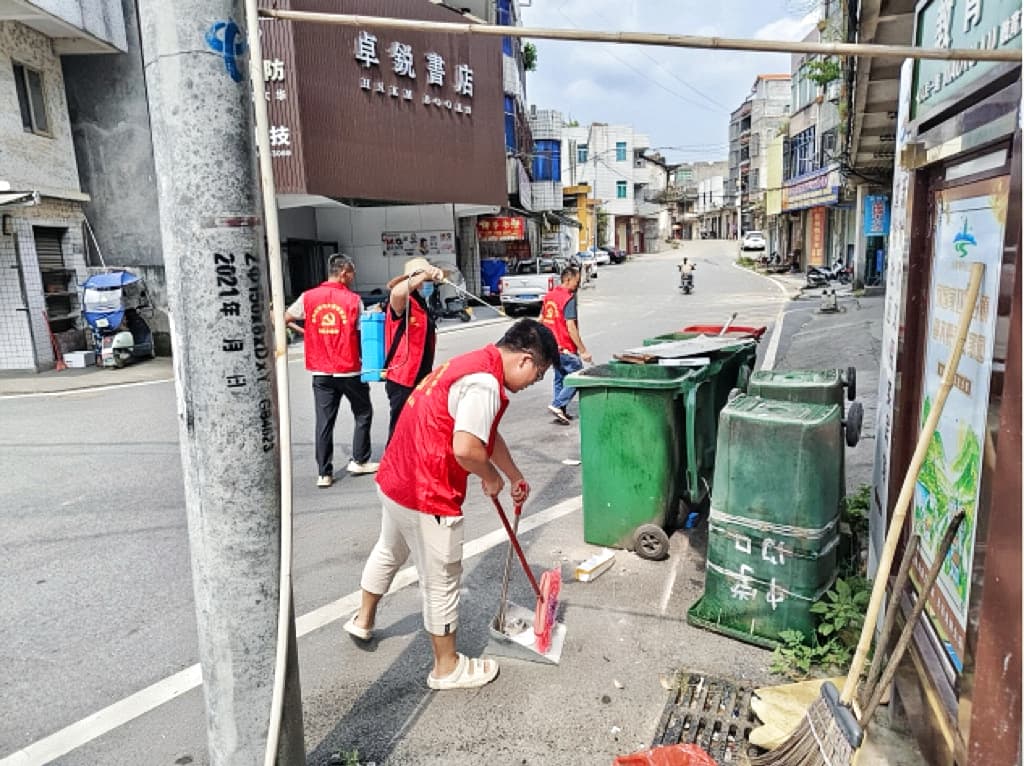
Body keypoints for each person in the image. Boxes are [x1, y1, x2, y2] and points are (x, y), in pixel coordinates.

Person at [344, 319, 561, 691]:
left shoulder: (474, 363)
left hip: (397, 480)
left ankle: (363, 618)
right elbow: (466, 448)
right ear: (526, 360)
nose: (531, 385)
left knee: (389, 550)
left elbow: (485, 434)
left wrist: (514, 476)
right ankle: (446, 667)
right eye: (537, 375)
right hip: (428, 491)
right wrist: (491, 478)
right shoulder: (486, 383)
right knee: (442, 580)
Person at [284, 254, 378, 488]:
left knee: (324, 422)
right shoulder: (353, 300)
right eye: (352, 273)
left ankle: (323, 473)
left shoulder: (308, 297)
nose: (353, 278)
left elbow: (285, 318)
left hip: (321, 370)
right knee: (363, 412)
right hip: (348, 369)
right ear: (344, 272)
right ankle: (359, 460)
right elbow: (360, 335)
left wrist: (307, 333)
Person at [383, 257, 445, 442]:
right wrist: (424, 274)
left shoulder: (422, 303)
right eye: (425, 281)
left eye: (429, 282)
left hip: (421, 376)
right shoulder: (403, 301)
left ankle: (411, 467)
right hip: (403, 377)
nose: (428, 284)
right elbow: (396, 293)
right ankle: (392, 467)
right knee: (400, 429)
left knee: (417, 428)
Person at [540, 266, 592, 425]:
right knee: (578, 376)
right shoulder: (568, 298)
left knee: (560, 377)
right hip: (565, 347)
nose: (578, 285)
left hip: (552, 347)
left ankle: (560, 410)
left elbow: (541, 319)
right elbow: (571, 327)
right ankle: (557, 404)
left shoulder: (549, 296)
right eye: (576, 281)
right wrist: (583, 351)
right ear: (568, 279)